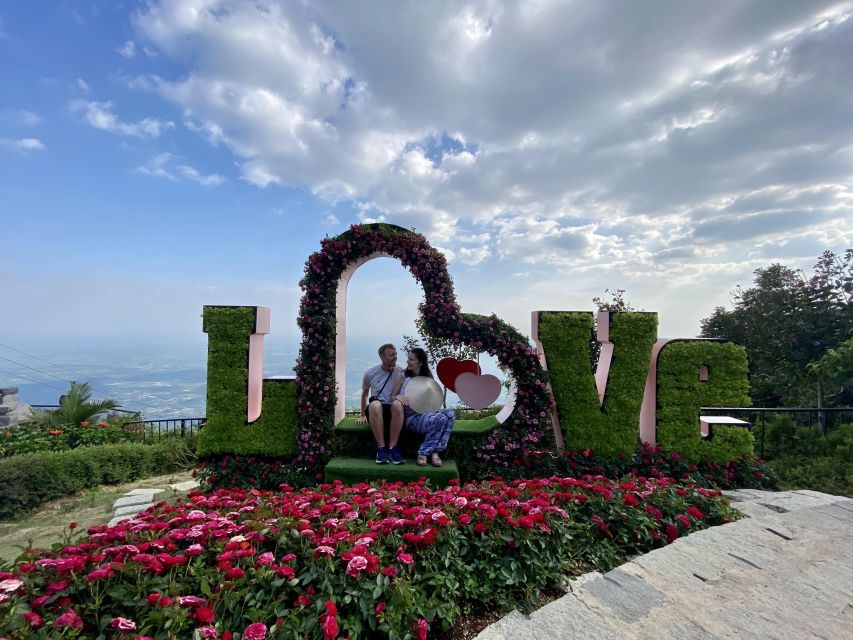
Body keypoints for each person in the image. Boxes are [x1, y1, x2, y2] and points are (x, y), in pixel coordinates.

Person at [392, 347, 455, 467]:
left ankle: (435, 452)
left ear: (420, 363)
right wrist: (397, 397)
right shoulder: (403, 376)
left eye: (411, 359)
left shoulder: (428, 378)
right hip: (411, 418)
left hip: (426, 413)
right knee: (440, 419)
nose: (408, 361)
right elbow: (392, 396)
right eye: (408, 358)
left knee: (450, 414)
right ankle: (423, 453)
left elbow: (434, 400)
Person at [357, 343, 406, 464]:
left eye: (395, 354)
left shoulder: (401, 372)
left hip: (393, 410)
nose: (395, 357)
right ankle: (381, 448)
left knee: (397, 404)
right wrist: (362, 415)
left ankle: (393, 448)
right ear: (383, 357)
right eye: (391, 355)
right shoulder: (370, 373)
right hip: (376, 410)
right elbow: (364, 394)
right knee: (375, 404)